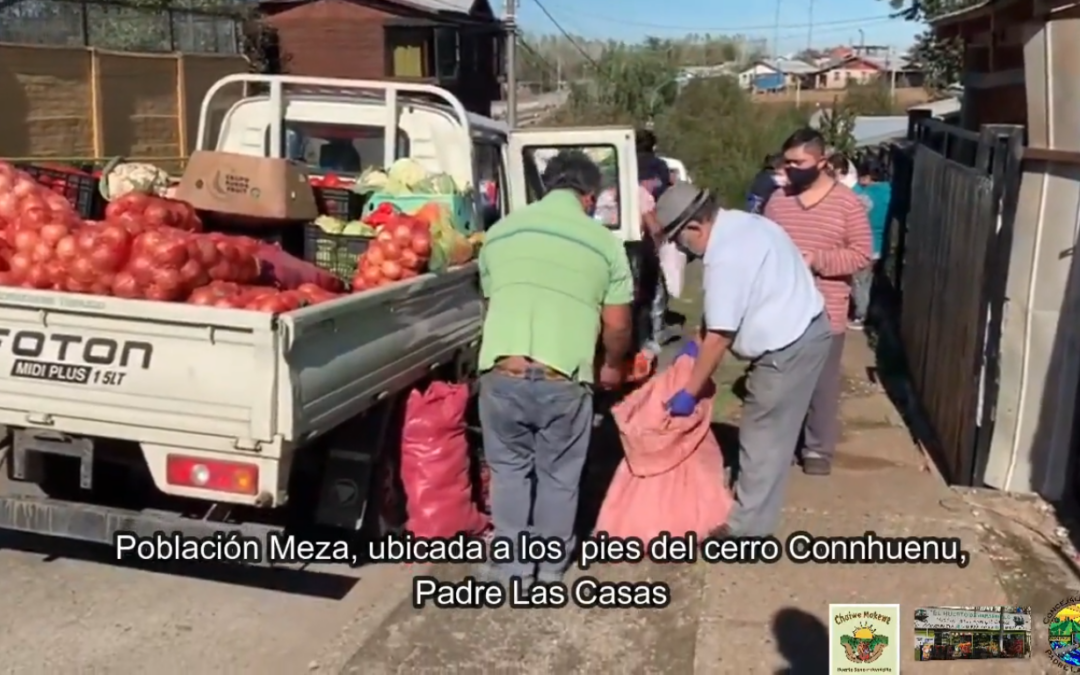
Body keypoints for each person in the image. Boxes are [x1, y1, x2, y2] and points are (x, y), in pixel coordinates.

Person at [476, 150, 634, 585]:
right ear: (588, 197)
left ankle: (511, 569)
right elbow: (618, 325)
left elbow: (491, 303)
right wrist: (612, 366)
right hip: (563, 377)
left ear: (546, 187)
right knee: (559, 476)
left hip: (501, 372)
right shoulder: (605, 244)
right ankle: (548, 571)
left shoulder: (501, 232)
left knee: (509, 472)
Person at [655, 182, 831, 537]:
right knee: (765, 431)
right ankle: (752, 513)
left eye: (678, 240)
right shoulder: (744, 223)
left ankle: (747, 531)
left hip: (789, 345)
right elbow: (720, 316)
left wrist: (691, 389)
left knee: (763, 436)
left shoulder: (727, 257)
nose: (680, 248)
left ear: (695, 227)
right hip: (804, 326)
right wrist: (696, 344)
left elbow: (721, 336)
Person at [765, 128, 872, 476]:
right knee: (779, 382)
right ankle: (778, 444)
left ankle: (817, 450)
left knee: (822, 387)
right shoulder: (778, 201)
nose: (793, 168)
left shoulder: (847, 204)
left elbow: (861, 255)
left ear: (822, 161)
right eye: (788, 162)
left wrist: (818, 260)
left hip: (828, 307)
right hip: (781, 308)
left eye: (801, 162)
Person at [849, 158, 892, 329]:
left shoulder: (864, 195)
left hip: (866, 245)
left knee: (860, 282)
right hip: (884, 244)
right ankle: (876, 314)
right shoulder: (891, 190)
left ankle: (861, 316)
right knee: (875, 281)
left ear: (868, 177)